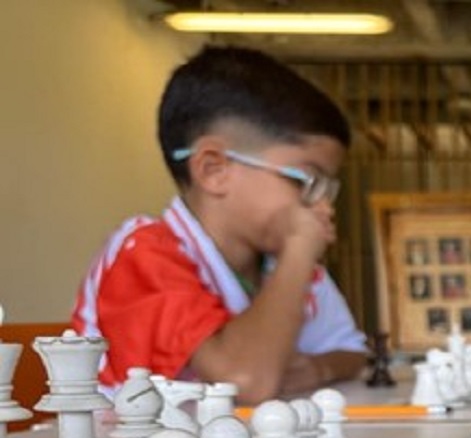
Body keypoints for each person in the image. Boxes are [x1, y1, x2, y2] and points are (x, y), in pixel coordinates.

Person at [71, 45, 367, 404]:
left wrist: (318, 368)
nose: (321, 206)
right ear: (214, 170)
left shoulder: (279, 262)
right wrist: (300, 249)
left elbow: (351, 351)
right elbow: (245, 380)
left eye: (327, 188)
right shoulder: (144, 251)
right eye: (306, 181)